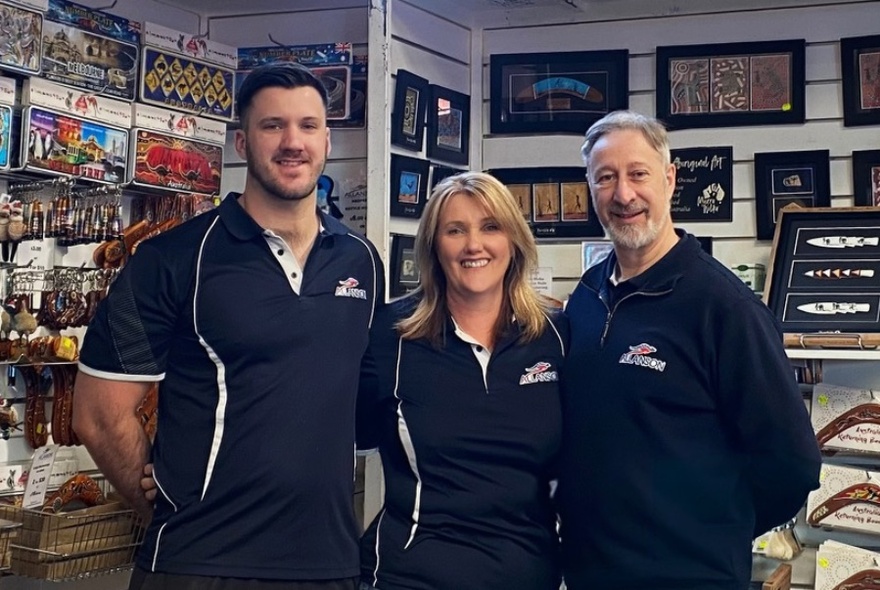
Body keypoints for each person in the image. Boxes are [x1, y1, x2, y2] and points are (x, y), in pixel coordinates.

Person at [72, 61, 383, 590]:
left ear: (327, 141)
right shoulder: (170, 260)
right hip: (198, 566)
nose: (292, 142)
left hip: (328, 564)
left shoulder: (361, 262)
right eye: (272, 126)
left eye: (308, 126)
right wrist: (166, 507)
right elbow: (99, 417)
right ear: (242, 142)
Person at [558, 110, 821, 590]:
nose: (624, 194)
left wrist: (710, 529)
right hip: (590, 572)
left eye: (638, 173)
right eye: (606, 178)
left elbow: (793, 463)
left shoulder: (724, 307)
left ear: (670, 178)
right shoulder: (589, 294)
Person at [357, 172, 567, 590]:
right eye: (455, 230)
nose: (474, 245)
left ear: (513, 240)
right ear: (434, 246)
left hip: (529, 576)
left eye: (491, 227)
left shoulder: (556, 336)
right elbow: (337, 438)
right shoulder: (389, 336)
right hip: (411, 576)